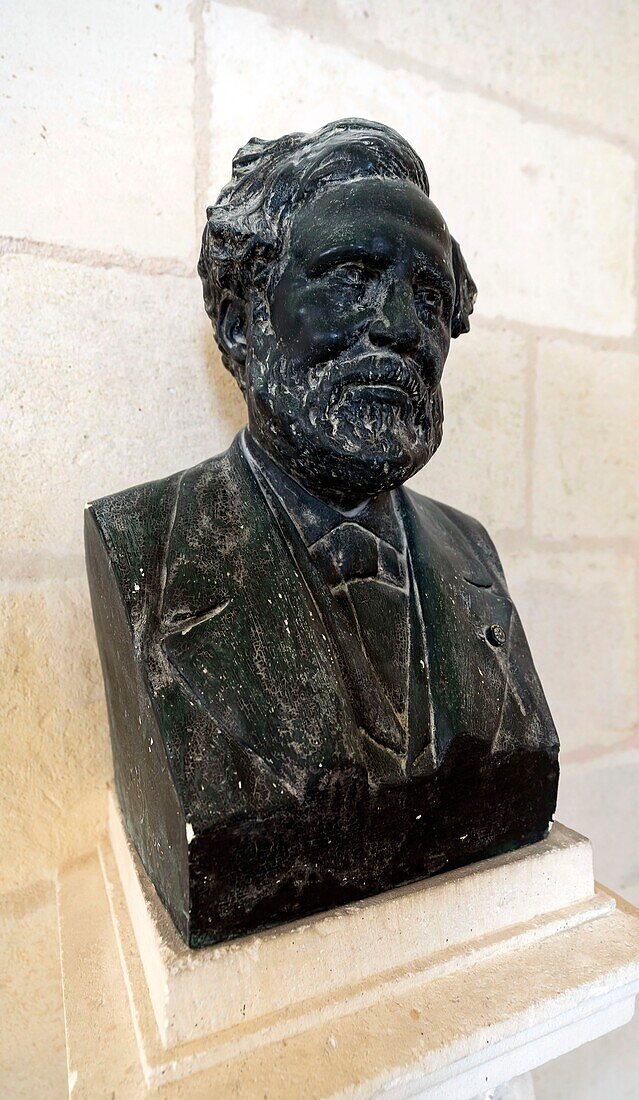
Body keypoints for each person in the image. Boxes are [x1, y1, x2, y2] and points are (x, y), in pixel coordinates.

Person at [85, 119, 559, 946]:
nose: (403, 329)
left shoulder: (471, 553)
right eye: (349, 277)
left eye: (429, 298)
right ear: (240, 325)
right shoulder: (146, 549)